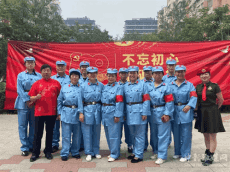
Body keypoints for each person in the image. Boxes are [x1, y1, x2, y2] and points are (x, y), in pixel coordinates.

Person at [28, 64, 61, 162]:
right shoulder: (37, 83)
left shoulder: (56, 83)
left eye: (48, 70)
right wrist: (35, 97)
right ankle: (35, 153)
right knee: (37, 133)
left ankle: (48, 151)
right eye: (44, 70)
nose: (46, 72)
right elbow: (30, 97)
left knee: (50, 133)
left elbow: (61, 97)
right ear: (41, 72)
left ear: (51, 72)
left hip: (51, 112)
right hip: (39, 112)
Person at [194, 68, 225, 166]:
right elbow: (196, 101)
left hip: (212, 112)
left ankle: (210, 156)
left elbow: (220, 100)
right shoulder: (198, 87)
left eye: (206, 74)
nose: (204, 76)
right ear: (200, 76)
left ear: (209, 75)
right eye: (202, 75)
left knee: (212, 135)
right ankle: (207, 153)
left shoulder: (215, 86)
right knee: (205, 134)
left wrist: (215, 109)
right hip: (202, 112)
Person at [14, 57, 42, 156]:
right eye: (28, 63)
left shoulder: (39, 76)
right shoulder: (20, 75)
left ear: (35, 64)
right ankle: (24, 147)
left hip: (35, 103)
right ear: (25, 64)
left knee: (34, 125)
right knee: (22, 126)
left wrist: (34, 99)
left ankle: (31, 145)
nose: (30, 64)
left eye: (32, 62)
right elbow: (19, 89)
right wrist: (28, 99)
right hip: (23, 103)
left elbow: (40, 89)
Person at [170, 65, 197, 162]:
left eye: (182, 71)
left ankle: (186, 154)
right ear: (175, 73)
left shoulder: (190, 85)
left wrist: (189, 105)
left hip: (185, 111)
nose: (180, 74)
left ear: (185, 72)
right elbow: (167, 98)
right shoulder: (170, 84)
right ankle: (177, 152)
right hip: (174, 110)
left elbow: (194, 97)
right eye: (178, 72)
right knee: (176, 133)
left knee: (186, 134)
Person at [148, 66, 174, 164]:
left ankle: (162, 155)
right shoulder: (149, 86)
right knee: (153, 134)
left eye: (159, 73)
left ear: (163, 75)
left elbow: (169, 101)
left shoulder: (166, 86)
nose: (157, 75)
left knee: (163, 135)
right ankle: (155, 151)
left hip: (162, 111)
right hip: (152, 112)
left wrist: (167, 113)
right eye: (155, 73)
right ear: (152, 75)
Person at [124, 66, 150, 163]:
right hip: (129, 112)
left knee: (140, 134)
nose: (132, 75)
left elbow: (146, 100)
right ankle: (135, 152)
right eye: (130, 73)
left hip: (139, 112)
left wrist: (144, 112)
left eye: (134, 73)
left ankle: (139, 155)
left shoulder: (143, 85)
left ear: (138, 74)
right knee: (133, 134)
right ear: (128, 75)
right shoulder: (126, 85)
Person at [57, 68, 83, 161]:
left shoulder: (82, 87)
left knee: (77, 135)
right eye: (73, 75)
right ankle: (65, 152)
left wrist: (81, 113)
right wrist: (59, 113)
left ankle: (75, 151)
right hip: (66, 112)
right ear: (70, 77)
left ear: (79, 77)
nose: (74, 77)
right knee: (66, 135)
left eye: (76, 75)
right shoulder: (64, 87)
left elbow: (83, 101)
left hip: (77, 113)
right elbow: (59, 101)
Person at [80, 66, 104, 162]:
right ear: (87, 74)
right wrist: (81, 113)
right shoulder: (82, 85)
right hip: (87, 110)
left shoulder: (101, 85)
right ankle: (89, 152)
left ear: (97, 74)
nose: (92, 75)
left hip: (97, 110)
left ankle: (96, 151)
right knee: (87, 133)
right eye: (90, 73)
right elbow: (79, 100)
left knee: (96, 132)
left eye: (94, 73)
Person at [101, 68, 124, 162]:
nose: (110, 77)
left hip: (113, 111)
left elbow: (119, 102)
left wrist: (117, 114)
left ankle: (115, 154)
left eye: (112, 76)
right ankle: (112, 151)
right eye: (109, 75)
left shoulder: (119, 87)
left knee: (114, 134)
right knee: (108, 134)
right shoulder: (105, 87)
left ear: (116, 77)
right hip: (105, 112)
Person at [51, 60, 70, 153]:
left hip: (67, 106)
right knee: (55, 126)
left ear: (65, 67)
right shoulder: (52, 79)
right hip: (55, 105)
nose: (60, 67)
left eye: (62, 66)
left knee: (67, 126)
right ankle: (54, 144)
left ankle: (67, 145)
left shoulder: (70, 79)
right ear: (56, 67)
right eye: (59, 66)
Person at [162, 59, 177, 148]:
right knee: (166, 126)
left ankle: (177, 144)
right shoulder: (163, 78)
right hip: (166, 106)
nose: (171, 67)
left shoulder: (178, 77)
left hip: (176, 105)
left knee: (176, 126)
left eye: (173, 65)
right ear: (167, 67)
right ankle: (167, 143)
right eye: (169, 65)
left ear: (175, 66)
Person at [118, 67, 133, 153]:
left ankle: (130, 145)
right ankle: (118, 145)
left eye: (125, 73)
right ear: (119, 75)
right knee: (118, 129)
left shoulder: (130, 84)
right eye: (122, 73)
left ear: (127, 75)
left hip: (129, 111)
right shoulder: (116, 85)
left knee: (129, 129)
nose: (123, 75)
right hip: (119, 111)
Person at [78, 60, 90, 152]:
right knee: (78, 128)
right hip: (77, 106)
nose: (84, 68)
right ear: (80, 69)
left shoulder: (92, 80)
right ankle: (79, 145)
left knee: (86, 128)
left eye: (86, 67)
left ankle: (87, 146)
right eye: (83, 66)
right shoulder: (77, 79)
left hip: (88, 107)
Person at [141, 66, 154, 152]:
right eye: (145, 72)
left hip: (154, 109)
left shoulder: (156, 82)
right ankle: (144, 145)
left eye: (149, 72)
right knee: (143, 129)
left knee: (153, 129)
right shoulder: (140, 83)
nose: (147, 73)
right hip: (143, 109)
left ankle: (154, 145)